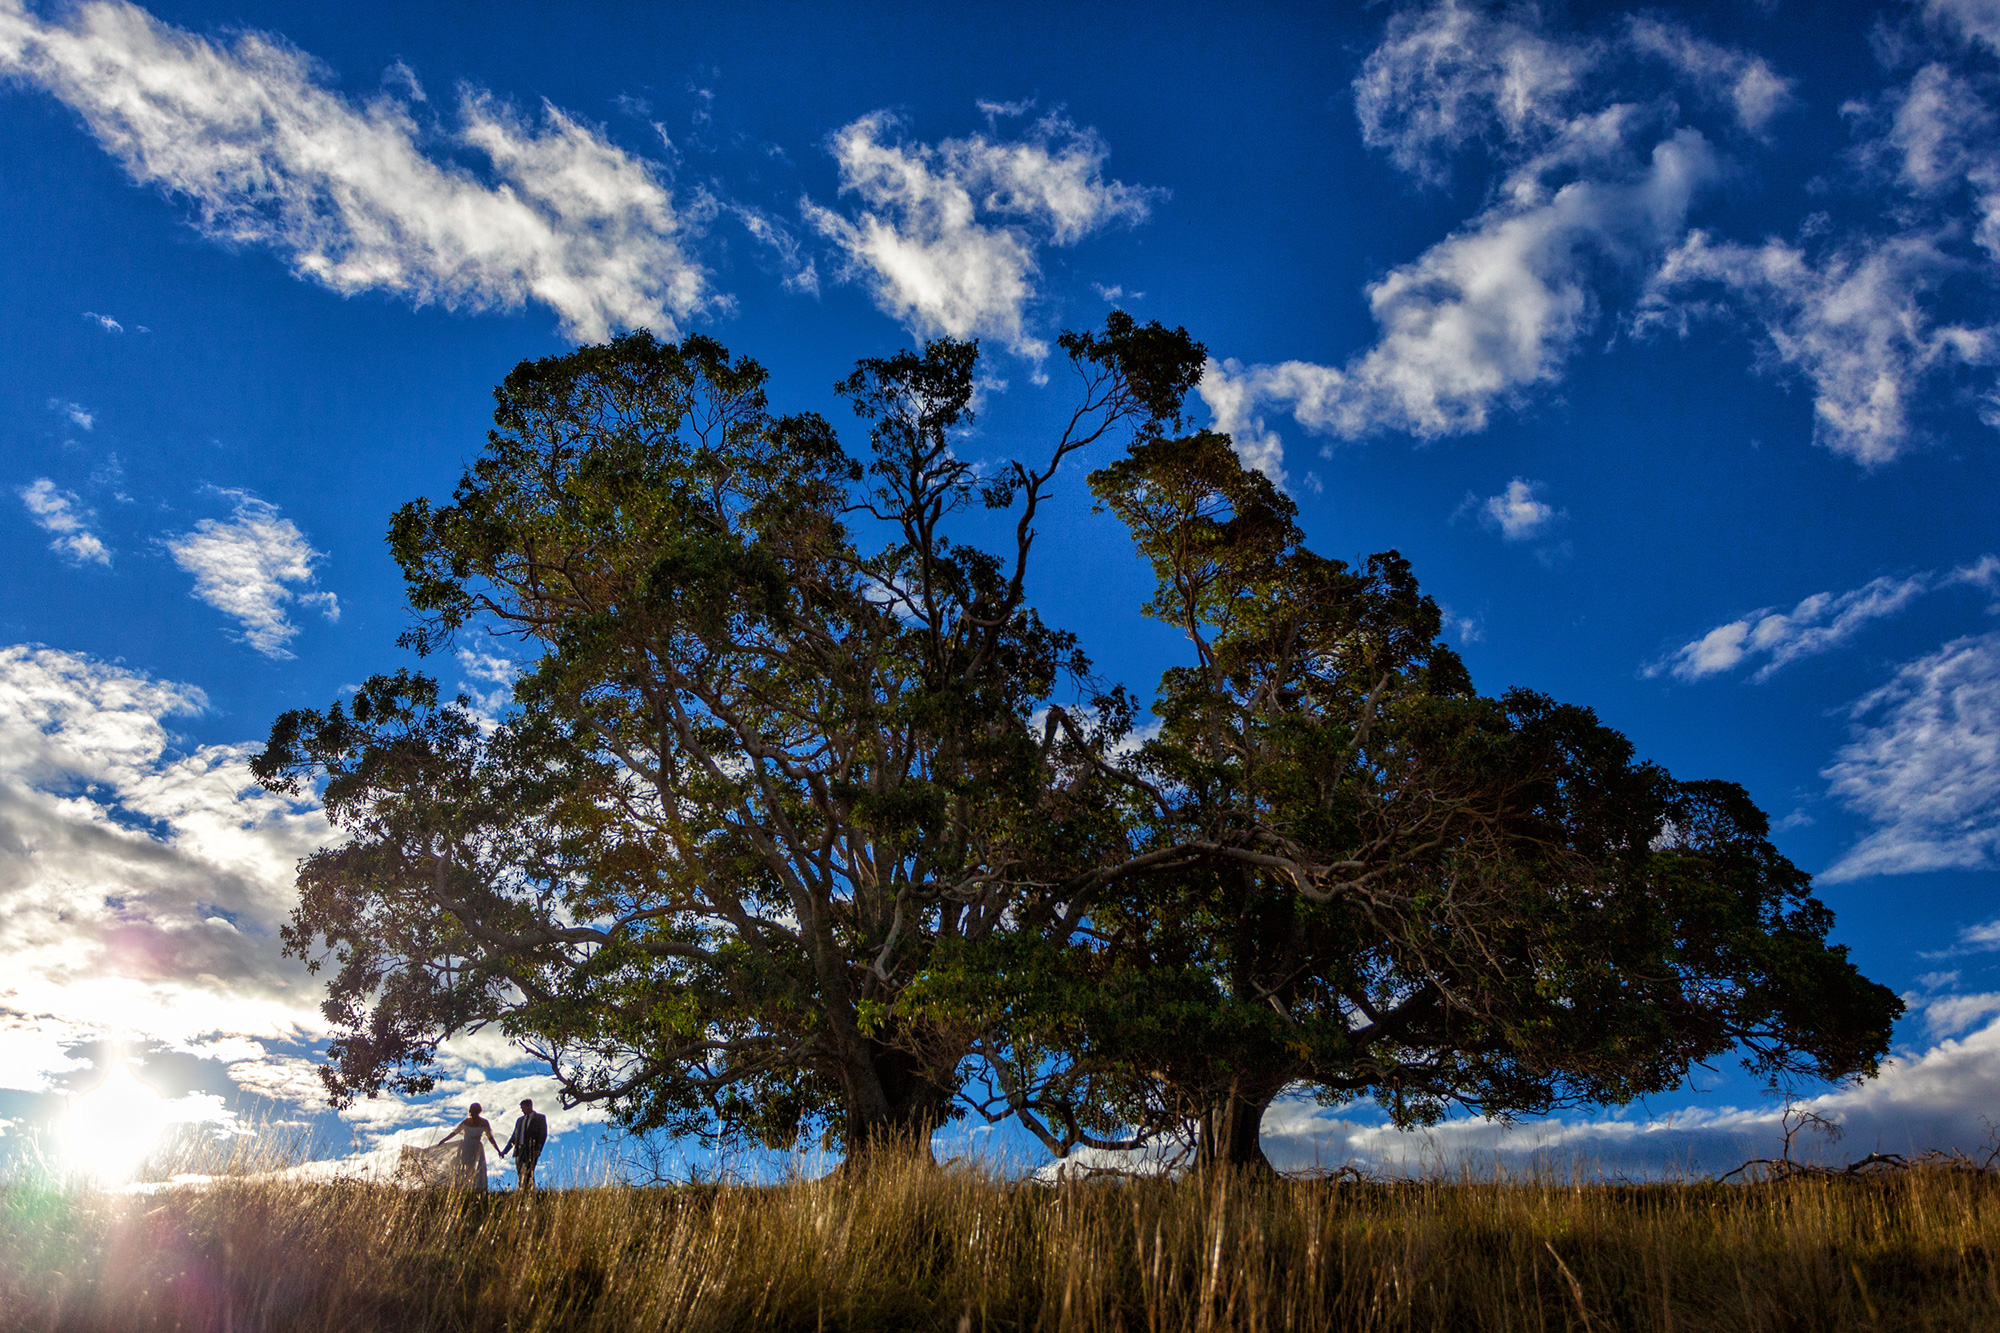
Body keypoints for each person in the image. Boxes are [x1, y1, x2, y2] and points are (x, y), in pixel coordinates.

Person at [433, 1102, 501, 1191]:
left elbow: (490, 1138)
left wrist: (498, 1150)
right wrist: (444, 1140)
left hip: (476, 1147)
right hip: (466, 1146)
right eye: (473, 1112)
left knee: (476, 1167)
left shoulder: (484, 1122)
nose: (474, 1114)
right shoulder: (466, 1121)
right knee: (465, 1167)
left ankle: (476, 1188)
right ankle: (465, 1186)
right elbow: (455, 1132)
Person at [500, 1097, 549, 1190]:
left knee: (529, 1171)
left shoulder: (540, 1118)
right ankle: (522, 1189)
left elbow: (543, 1134)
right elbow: (514, 1137)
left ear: (529, 1106)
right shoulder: (520, 1120)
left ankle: (530, 1190)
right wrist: (505, 1151)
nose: (522, 1110)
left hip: (531, 1149)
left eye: (523, 1108)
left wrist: (538, 1149)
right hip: (519, 1150)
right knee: (520, 1172)